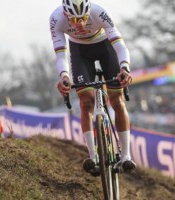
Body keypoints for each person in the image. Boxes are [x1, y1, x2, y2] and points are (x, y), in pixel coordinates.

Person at [49, 0, 136, 175]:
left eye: (83, 18)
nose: (80, 23)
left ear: (89, 12)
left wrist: (124, 68)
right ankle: (93, 156)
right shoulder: (56, 19)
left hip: (105, 46)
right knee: (86, 102)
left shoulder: (99, 12)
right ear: (66, 15)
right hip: (80, 51)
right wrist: (64, 76)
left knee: (117, 100)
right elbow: (60, 54)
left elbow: (120, 45)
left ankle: (126, 155)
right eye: (74, 20)